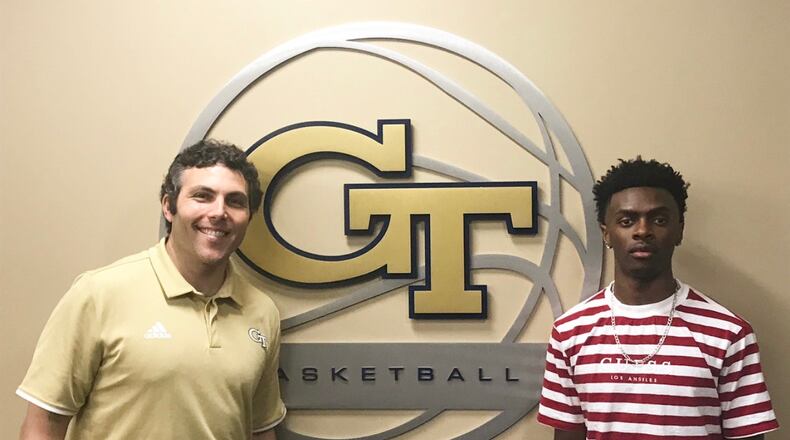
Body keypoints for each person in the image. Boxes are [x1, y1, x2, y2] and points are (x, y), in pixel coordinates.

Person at [17, 140, 286, 439]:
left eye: (235, 201)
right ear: (169, 207)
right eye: (202, 196)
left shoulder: (262, 312)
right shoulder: (99, 293)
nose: (219, 212)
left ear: (248, 216)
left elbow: (260, 430)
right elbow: (42, 425)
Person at [538, 157, 779, 439]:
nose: (643, 231)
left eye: (659, 220)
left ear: (679, 230)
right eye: (627, 221)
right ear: (607, 233)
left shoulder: (728, 333)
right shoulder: (570, 332)